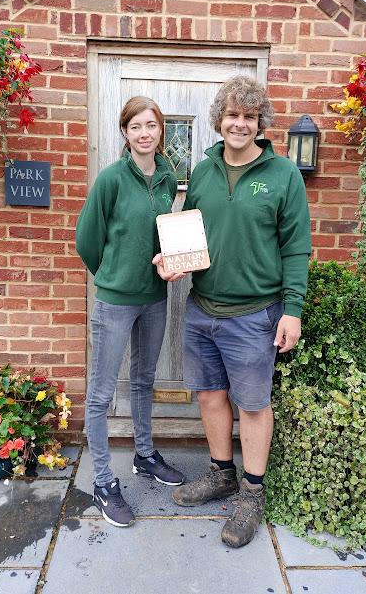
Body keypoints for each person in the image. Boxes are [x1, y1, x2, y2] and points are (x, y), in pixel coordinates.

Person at [154, 75, 311, 548]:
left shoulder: (282, 175)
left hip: (254, 313)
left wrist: (293, 311)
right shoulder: (202, 172)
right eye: (232, 115)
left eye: (248, 116)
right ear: (219, 120)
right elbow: (191, 232)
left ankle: (252, 493)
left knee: (254, 404)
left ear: (259, 122)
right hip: (202, 308)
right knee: (208, 396)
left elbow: (297, 248)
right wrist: (173, 261)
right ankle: (221, 473)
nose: (239, 124)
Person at [76, 96, 184, 529]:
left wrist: (167, 261)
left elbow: (163, 235)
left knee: (144, 380)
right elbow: (87, 237)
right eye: (136, 126)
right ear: (125, 133)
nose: (144, 133)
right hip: (116, 301)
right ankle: (103, 482)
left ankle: (144, 455)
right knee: (101, 395)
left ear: (160, 131)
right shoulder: (111, 180)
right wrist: (111, 273)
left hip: (155, 298)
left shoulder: (167, 177)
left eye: (152, 125)